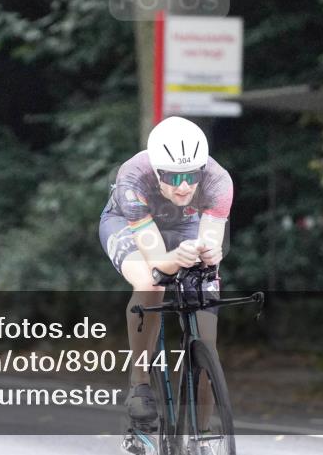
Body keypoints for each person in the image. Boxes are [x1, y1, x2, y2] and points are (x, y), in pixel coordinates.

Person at [99, 116, 232, 436]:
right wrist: (172, 260)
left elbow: (212, 240)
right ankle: (140, 381)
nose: (184, 186)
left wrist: (211, 253)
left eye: (192, 175)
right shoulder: (133, 175)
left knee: (208, 341)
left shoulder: (218, 180)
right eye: (173, 177)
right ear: (158, 170)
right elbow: (158, 261)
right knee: (149, 282)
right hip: (129, 225)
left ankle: (199, 435)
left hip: (184, 225)